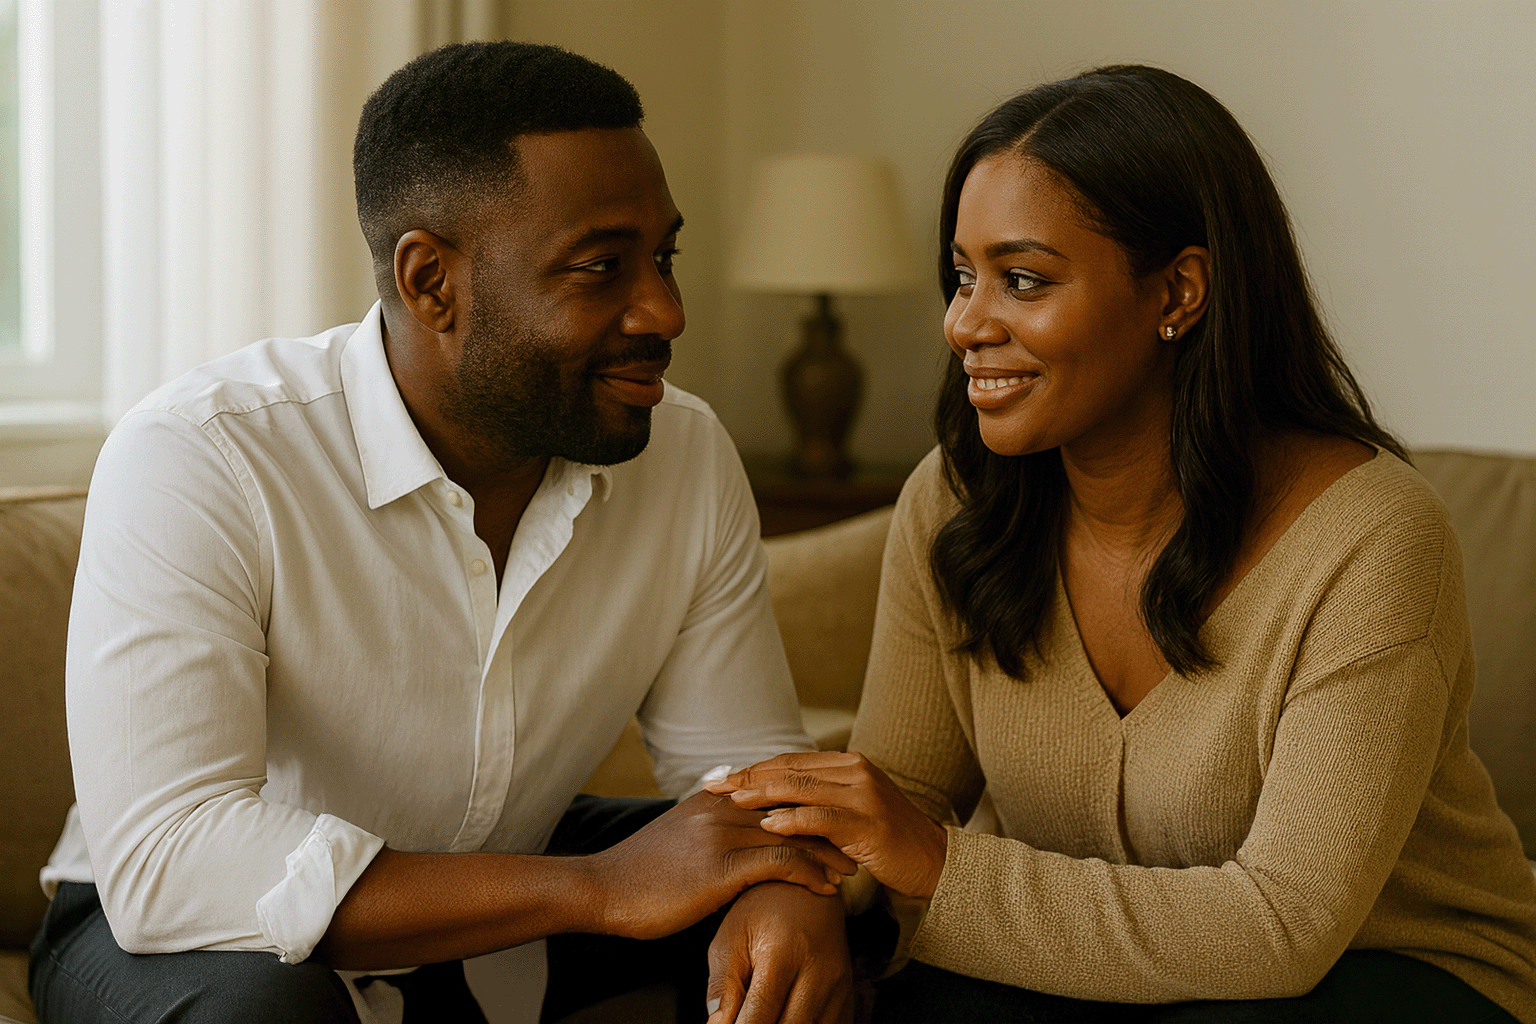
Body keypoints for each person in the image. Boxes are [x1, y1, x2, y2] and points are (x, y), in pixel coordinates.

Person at [28, 41, 856, 1024]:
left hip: (511, 863)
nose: (666, 311)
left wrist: (775, 892)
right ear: (431, 282)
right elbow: (172, 858)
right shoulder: (202, 455)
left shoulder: (686, 451)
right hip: (178, 930)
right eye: (602, 267)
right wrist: (599, 888)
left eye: (664, 256)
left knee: (836, 926)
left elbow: (749, 779)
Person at [705, 65, 1536, 1022]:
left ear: (1179, 290)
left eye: (1023, 280)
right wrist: (789, 887)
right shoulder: (951, 502)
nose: (964, 323)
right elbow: (904, 795)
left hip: (1385, 974)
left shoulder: (1374, 536)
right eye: (963, 276)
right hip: (1094, 970)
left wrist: (938, 867)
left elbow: (1285, 926)